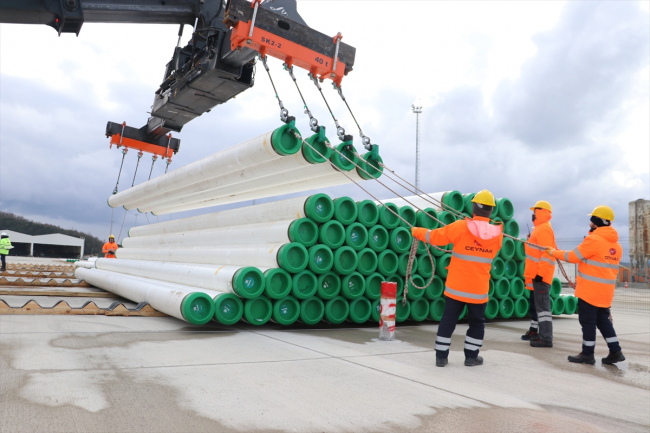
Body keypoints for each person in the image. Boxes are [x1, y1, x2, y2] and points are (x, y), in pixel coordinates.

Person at [411, 189, 503, 367]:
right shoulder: (497, 234)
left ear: (473, 207)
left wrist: (417, 231)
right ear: (491, 210)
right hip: (478, 289)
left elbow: (435, 237)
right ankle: (471, 357)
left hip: (456, 287)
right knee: (477, 323)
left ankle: (441, 357)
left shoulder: (461, 226)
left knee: (449, 320)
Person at [546, 205, 624, 365]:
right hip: (605, 293)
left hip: (589, 292)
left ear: (597, 221)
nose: (590, 223)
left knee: (588, 322)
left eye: (592, 220)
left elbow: (572, 257)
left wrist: (552, 252)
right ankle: (616, 351)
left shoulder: (594, 240)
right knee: (603, 321)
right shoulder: (616, 246)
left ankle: (587, 354)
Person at [522, 200, 557, 347]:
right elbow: (533, 252)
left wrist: (541, 275)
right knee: (536, 306)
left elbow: (547, 254)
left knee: (542, 309)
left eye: (535, 211)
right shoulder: (539, 229)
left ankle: (545, 338)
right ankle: (536, 332)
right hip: (535, 275)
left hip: (539, 276)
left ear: (541, 212)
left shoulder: (543, 229)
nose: (533, 214)